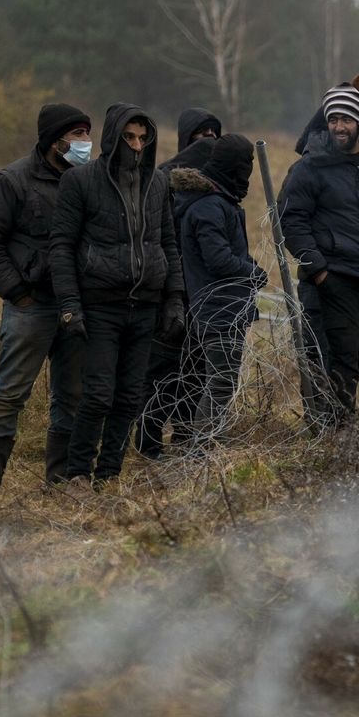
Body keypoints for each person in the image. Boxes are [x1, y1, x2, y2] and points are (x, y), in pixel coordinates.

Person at [49, 103, 185, 485]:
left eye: (143, 138)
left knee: (129, 398)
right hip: (99, 304)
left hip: (145, 306)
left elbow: (168, 243)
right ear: (113, 137)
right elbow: (61, 246)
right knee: (97, 395)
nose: (137, 145)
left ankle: (108, 475)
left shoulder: (157, 182)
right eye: (128, 137)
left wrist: (174, 298)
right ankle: (77, 474)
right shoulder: (80, 182)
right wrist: (70, 306)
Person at [0, 103, 93, 490]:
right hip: (32, 305)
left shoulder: (88, 179)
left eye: (87, 133)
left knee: (71, 396)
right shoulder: (11, 180)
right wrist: (17, 293)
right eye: (77, 135)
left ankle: (59, 479)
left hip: (77, 304)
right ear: (54, 141)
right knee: (9, 392)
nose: (85, 142)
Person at [278, 84, 359, 426]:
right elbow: (292, 220)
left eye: (346, 118)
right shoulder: (311, 167)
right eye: (333, 119)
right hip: (338, 274)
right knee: (343, 353)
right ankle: (339, 423)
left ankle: (340, 416)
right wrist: (318, 270)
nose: (339, 126)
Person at [134, 107, 223, 459]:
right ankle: (149, 441)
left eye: (214, 136)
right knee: (162, 369)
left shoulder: (220, 184)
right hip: (168, 290)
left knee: (197, 368)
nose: (208, 145)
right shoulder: (162, 180)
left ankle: (186, 436)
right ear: (186, 141)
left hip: (204, 291)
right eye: (200, 138)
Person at [171, 133, 267, 440]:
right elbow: (219, 260)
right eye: (245, 164)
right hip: (218, 308)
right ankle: (200, 451)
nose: (248, 172)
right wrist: (254, 273)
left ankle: (204, 441)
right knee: (221, 382)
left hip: (219, 306)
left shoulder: (217, 200)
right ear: (232, 165)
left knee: (209, 380)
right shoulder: (209, 205)